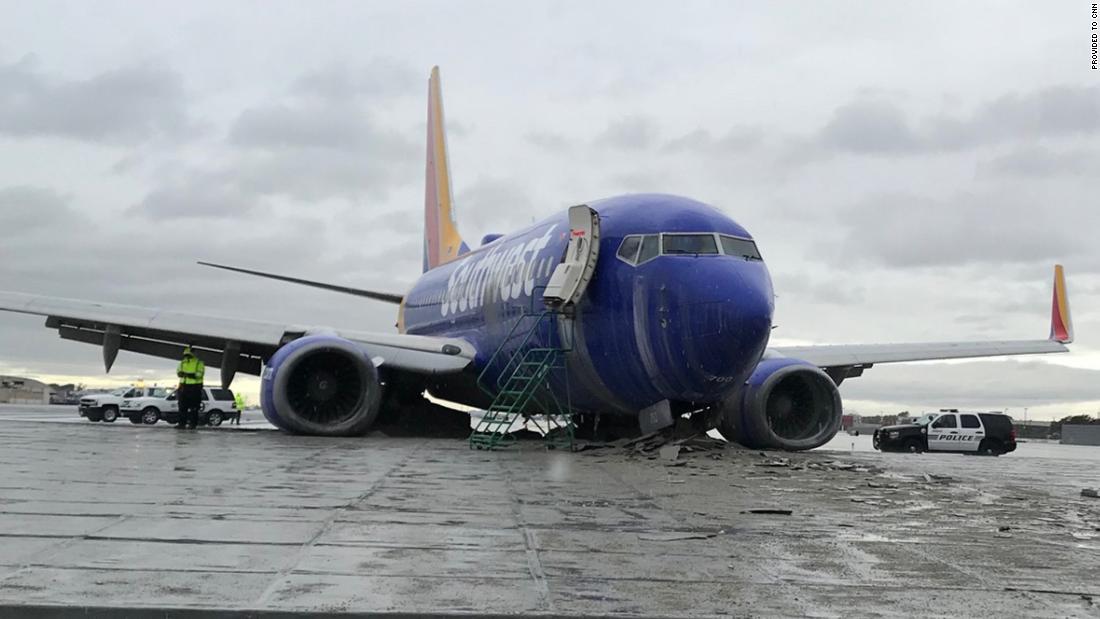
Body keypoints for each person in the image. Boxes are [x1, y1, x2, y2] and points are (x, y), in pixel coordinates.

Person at [176, 345, 205, 429]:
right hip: (183, 386)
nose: (186, 357)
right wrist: (181, 374)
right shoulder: (182, 362)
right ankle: (182, 424)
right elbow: (178, 372)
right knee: (182, 407)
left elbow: (199, 374)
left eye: (188, 355)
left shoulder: (199, 362)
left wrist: (189, 375)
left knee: (194, 407)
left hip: (194, 387)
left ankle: (192, 424)